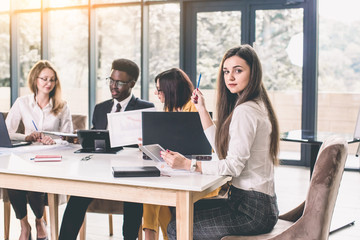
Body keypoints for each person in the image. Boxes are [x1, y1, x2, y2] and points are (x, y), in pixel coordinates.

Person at [160, 45, 280, 240]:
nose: (230, 77)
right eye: (226, 71)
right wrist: (201, 109)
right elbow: (223, 148)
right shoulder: (257, 104)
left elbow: (233, 166)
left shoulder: (245, 111)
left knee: (176, 228)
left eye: (238, 70)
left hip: (251, 211)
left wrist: (188, 164)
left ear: (253, 72)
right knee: (185, 211)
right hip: (261, 205)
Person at [58, 58, 154, 240]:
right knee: (77, 196)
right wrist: (77, 139)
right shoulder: (101, 109)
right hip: (98, 171)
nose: (113, 86)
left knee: (133, 198)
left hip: (129, 172)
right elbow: (95, 139)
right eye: (111, 80)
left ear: (132, 83)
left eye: (119, 82)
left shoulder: (145, 108)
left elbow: (150, 146)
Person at [143, 68, 220, 240]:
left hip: (195, 173)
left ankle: (152, 234)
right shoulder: (169, 110)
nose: (156, 93)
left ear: (171, 90)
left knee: (156, 192)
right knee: (152, 189)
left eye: (159, 89)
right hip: (175, 171)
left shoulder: (195, 109)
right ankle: (157, 234)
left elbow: (207, 147)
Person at [5, 60, 73, 240]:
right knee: (13, 179)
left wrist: (54, 141)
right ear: (35, 80)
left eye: (52, 80)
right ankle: (24, 224)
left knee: (35, 179)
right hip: (26, 155)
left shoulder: (62, 106)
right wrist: (26, 137)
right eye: (44, 79)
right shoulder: (22, 102)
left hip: (51, 158)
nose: (48, 83)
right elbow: (7, 132)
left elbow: (70, 138)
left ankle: (39, 220)